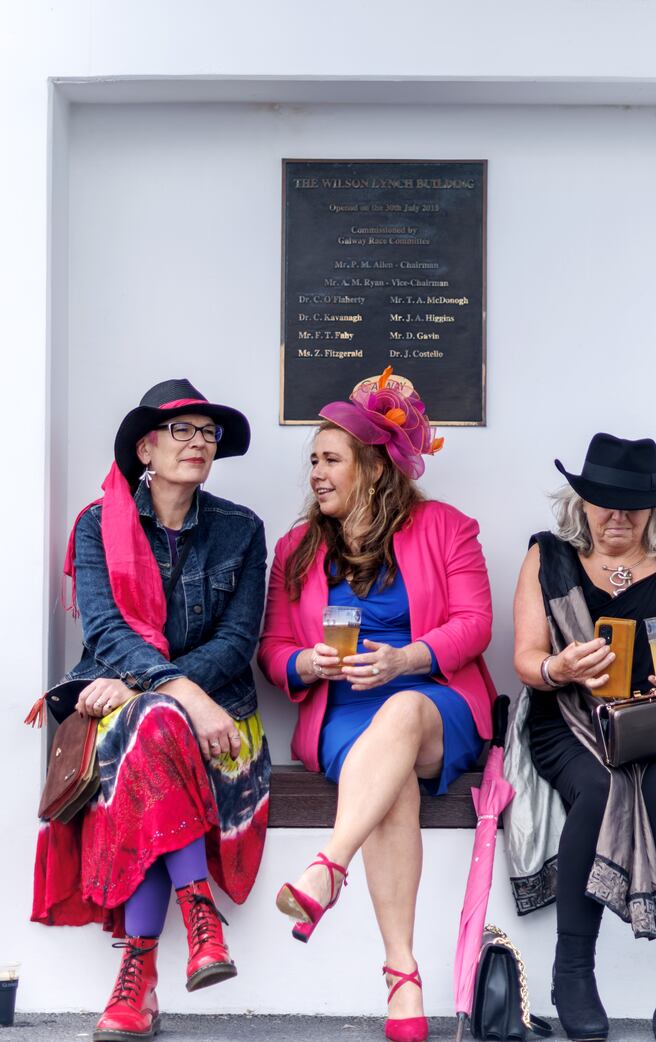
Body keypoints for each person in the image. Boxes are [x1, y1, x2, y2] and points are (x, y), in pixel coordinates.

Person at [259, 368, 495, 1042]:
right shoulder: (295, 550)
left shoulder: (447, 528)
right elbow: (273, 647)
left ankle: (328, 866)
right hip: (343, 713)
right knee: (388, 786)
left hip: (434, 701)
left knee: (403, 714)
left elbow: (475, 623)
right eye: (313, 460)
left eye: (331, 460)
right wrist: (307, 662)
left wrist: (405, 659)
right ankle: (403, 975)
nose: (316, 473)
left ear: (371, 467)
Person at [31, 379, 271, 1042]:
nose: (198, 443)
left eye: (208, 432)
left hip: (217, 719)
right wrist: (174, 695)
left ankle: (138, 980)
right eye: (181, 431)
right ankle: (200, 918)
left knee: (153, 719)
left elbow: (237, 643)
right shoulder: (95, 525)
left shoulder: (242, 531)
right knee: (157, 723)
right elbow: (106, 631)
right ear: (145, 447)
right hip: (138, 717)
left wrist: (147, 689)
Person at [509, 433, 656, 1042]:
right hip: (574, 723)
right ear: (580, 502)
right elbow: (526, 660)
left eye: (632, 503)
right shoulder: (546, 558)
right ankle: (572, 972)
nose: (617, 515)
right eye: (603, 500)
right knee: (600, 790)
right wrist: (560, 669)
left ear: (653, 509)